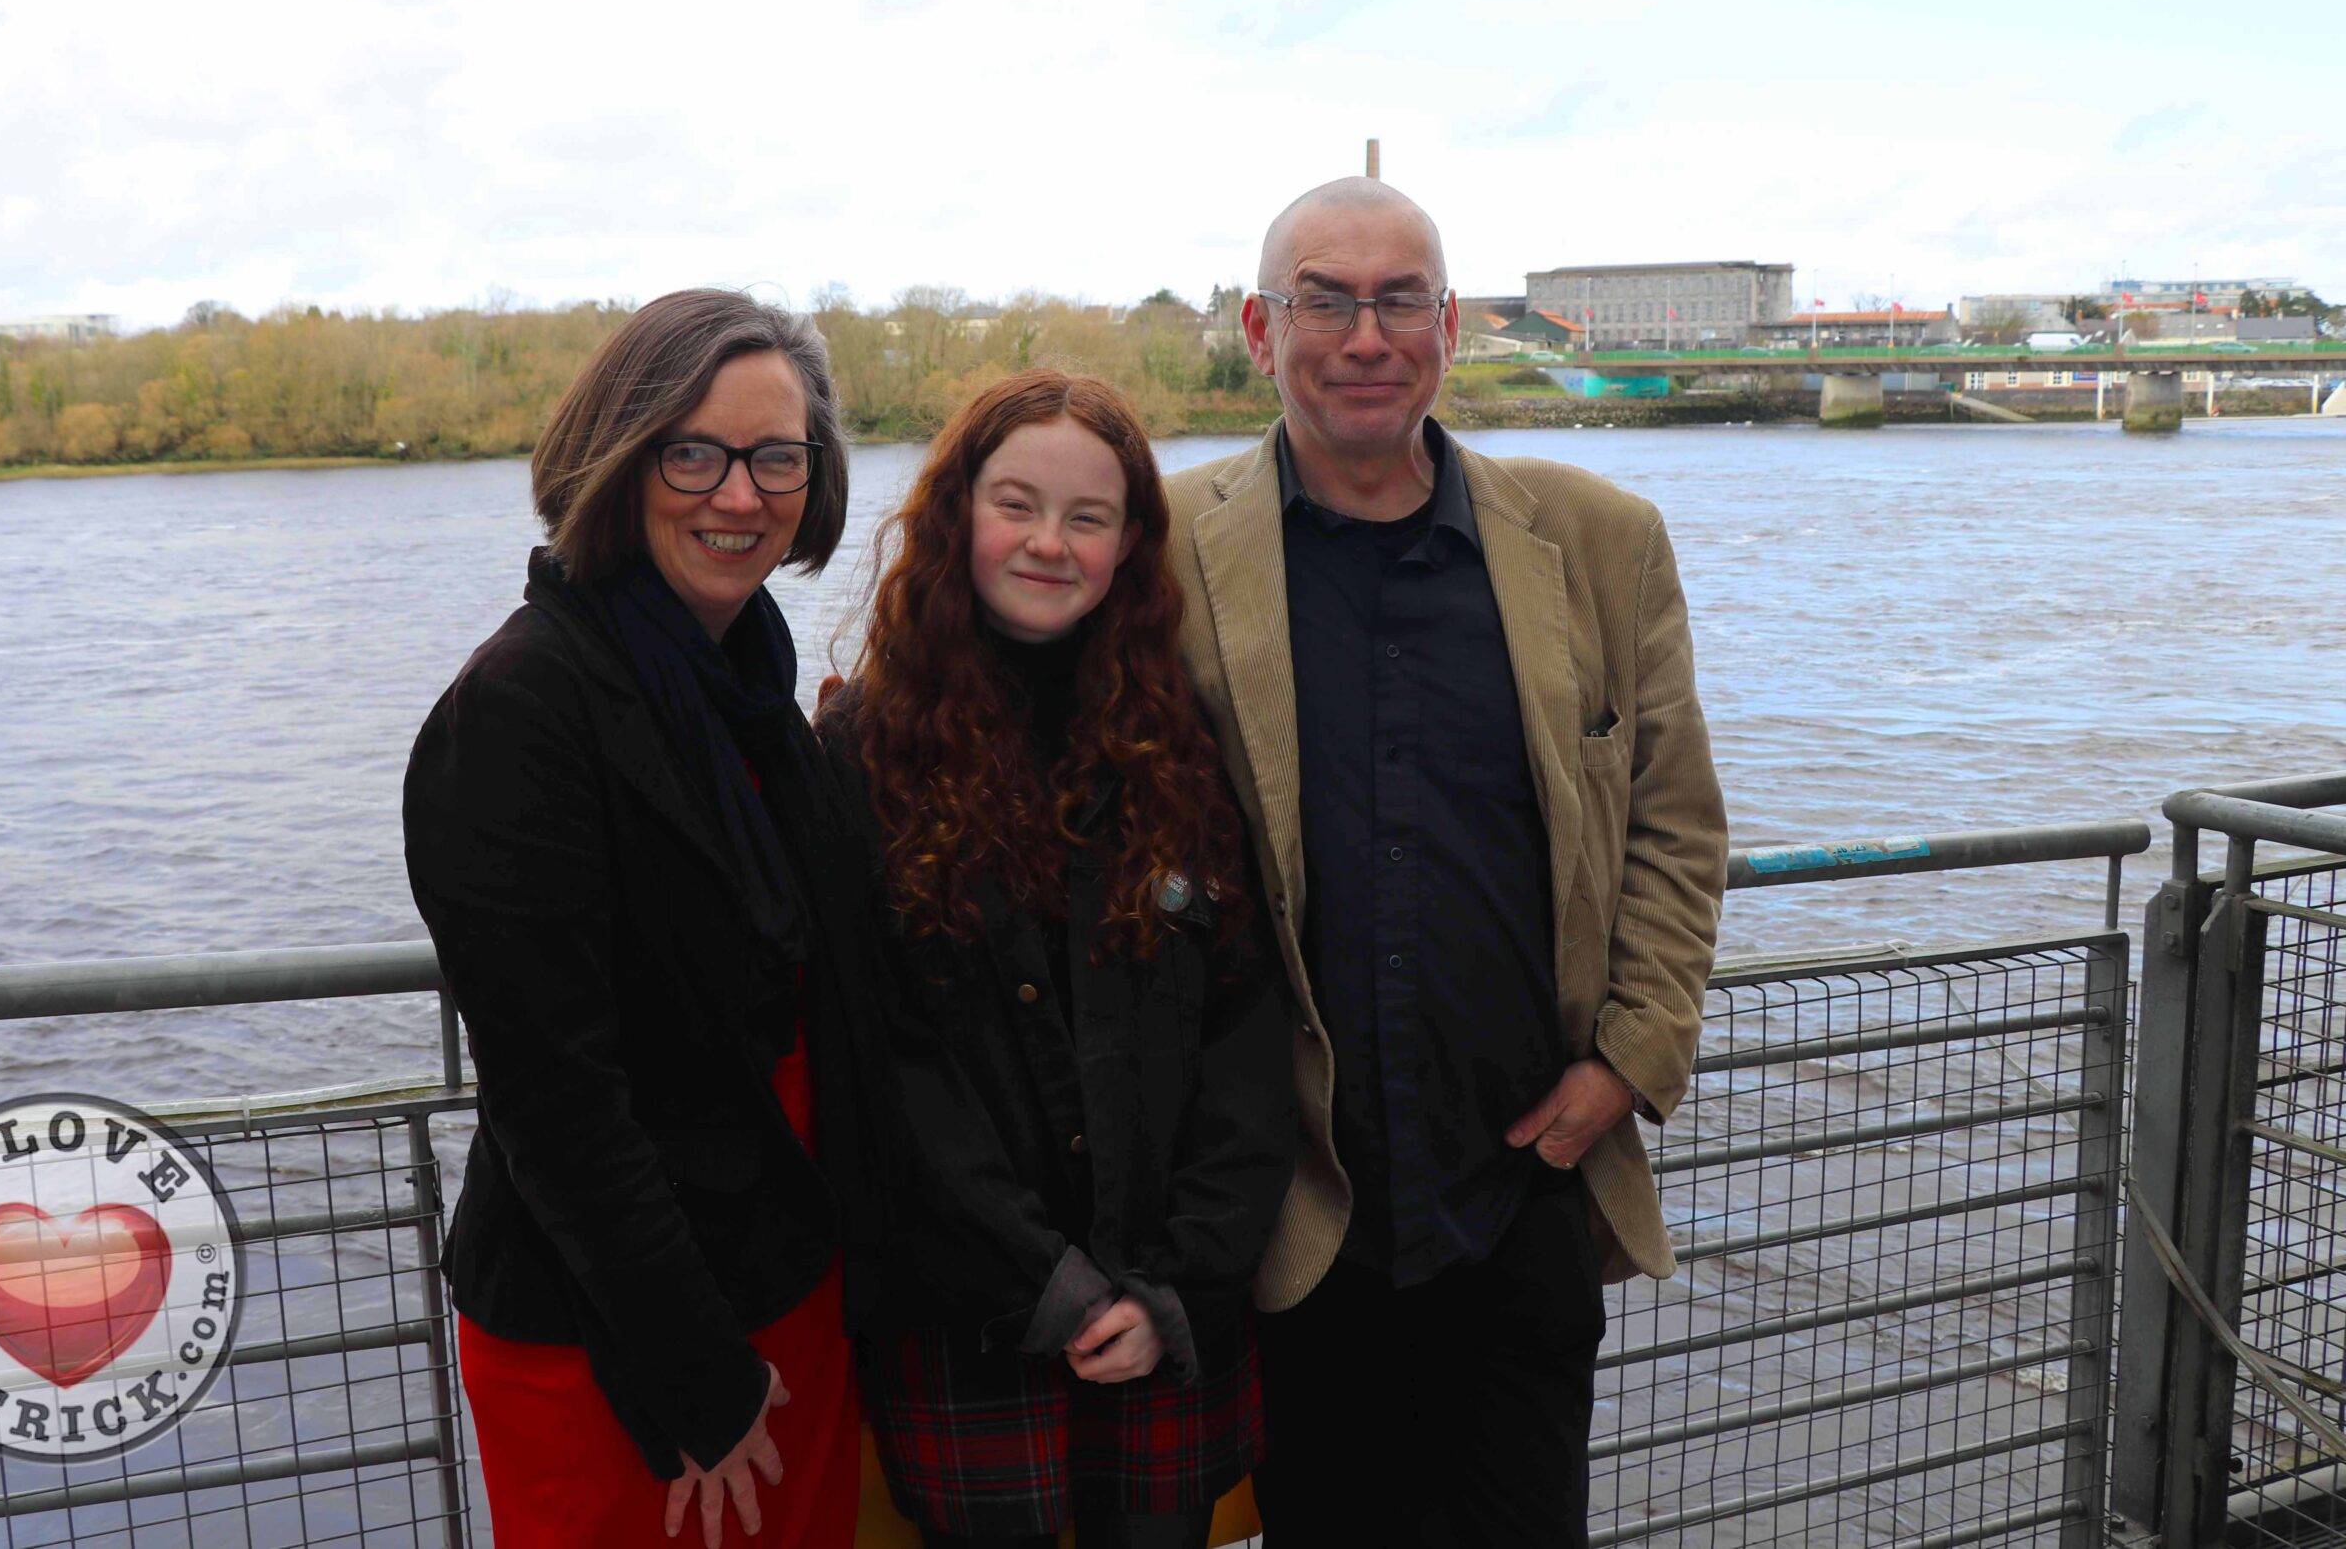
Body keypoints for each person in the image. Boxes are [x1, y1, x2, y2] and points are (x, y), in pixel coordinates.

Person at [1162, 180, 1728, 1546]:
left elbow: (1676, 822)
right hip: (1298, 1215)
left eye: (1400, 298)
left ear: (1450, 325)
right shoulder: (1165, 547)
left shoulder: (1600, 541)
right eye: (1325, 297)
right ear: (1258, 325)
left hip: (1522, 1193)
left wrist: (1628, 1062)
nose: (1366, 334)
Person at [403, 289, 886, 1549]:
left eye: (777, 456)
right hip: (623, 1339)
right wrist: (696, 1380)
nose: (740, 495)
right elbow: (555, 1097)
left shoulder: (754, 686)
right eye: (694, 452)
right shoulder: (519, 712)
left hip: (788, 1278)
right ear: (618, 458)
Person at [817, 369, 1295, 1549]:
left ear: (1131, 544)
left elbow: (1246, 1031)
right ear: (955, 516)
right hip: (969, 1313)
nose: (1048, 542)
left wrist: (1172, 1282)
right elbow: (886, 1062)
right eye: (1014, 504)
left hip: (1166, 1303)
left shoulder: (1178, 743)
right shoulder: (860, 752)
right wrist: (1045, 1280)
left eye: (1087, 518)